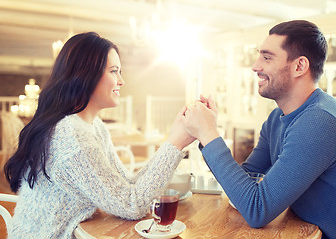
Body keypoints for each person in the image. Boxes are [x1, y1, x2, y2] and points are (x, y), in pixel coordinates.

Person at [183, 20, 336, 238]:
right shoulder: (276, 118)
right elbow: (246, 178)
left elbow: (256, 209)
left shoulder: (320, 122)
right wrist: (208, 134)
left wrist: (208, 134)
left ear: (299, 66)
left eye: (267, 58)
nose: (255, 66)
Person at [4, 32, 194, 238]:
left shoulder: (95, 126)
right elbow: (132, 205)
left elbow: (127, 184)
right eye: (114, 71)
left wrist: (172, 140)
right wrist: (175, 144)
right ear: (86, 75)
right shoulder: (72, 139)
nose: (121, 81)